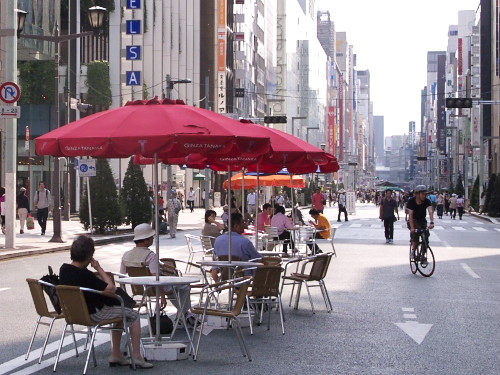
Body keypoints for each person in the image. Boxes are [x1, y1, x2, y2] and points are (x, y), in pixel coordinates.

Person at [60, 235, 153, 368]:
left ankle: (116, 355)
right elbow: (111, 288)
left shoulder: (64, 270)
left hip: (74, 313)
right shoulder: (85, 274)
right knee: (134, 315)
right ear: (89, 256)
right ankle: (137, 356)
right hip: (94, 313)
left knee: (120, 316)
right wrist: (98, 267)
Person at [120, 224, 194, 325]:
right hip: (155, 288)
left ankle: (183, 314)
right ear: (146, 239)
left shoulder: (126, 255)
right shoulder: (151, 256)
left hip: (138, 289)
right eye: (151, 237)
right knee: (184, 287)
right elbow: (156, 278)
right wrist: (162, 297)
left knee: (177, 289)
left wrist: (125, 296)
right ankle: (184, 314)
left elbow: (122, 277)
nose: (153, 239)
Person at [212, 212, 262, 282]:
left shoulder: (218, 240)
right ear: (236, 226)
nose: (245, 225)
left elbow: (215, 263)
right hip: (244, 278)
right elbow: (258, 259)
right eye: (243, 223)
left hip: (226, 277)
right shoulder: (245, 242)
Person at [406, 185, 434, 262]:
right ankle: (413, 251)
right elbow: (410, 215)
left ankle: (423, 255)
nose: (424, 196)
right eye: (423, 194)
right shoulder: (411, 201)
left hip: (422, 221)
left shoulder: (427, 201)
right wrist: (412, 228)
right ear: (417, 194)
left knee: (426, 237)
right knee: (416, 235)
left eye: (425, 194)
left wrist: (431, 222)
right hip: (413, 221)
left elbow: (430, 211)